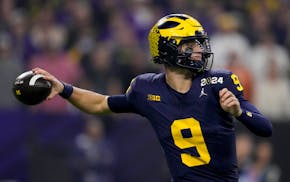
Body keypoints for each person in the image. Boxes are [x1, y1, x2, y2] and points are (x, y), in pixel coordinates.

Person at [32, 14, 272, 182]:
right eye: (190, 45)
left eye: (199, 44)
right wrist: (63, 88)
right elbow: (100, 103)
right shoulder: (145, 89)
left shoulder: (219, 82)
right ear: (168, 48)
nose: (199, 51)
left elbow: (264, 128)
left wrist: (239, 112)